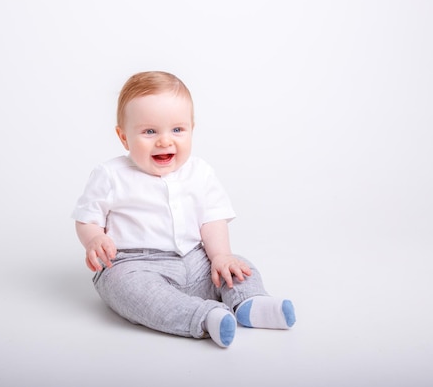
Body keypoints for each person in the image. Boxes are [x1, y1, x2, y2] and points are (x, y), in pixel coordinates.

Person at [72, 71, 295, 347]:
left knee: (238, 266)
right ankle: (203, 317)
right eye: (149, 131)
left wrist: (221, 256)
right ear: (124, 137)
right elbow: (87, 218)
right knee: (130, 291)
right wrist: (94, 238)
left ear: (192, 128)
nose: (165, 141)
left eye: (177, 130)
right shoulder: (110, 175)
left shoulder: (199, 172)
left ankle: (250, 302)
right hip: (133, 265)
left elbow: (212, 219)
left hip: (195, 259)